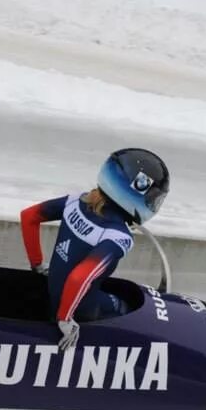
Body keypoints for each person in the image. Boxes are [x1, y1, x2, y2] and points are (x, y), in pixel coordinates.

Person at [20, 148, 170, 351]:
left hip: (53, 293)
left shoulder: (74, 202)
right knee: (126, 309)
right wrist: (65, 319)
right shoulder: (118, 237)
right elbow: (79, 277)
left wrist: (37, 264)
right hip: (83, 310)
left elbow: (29, 216)